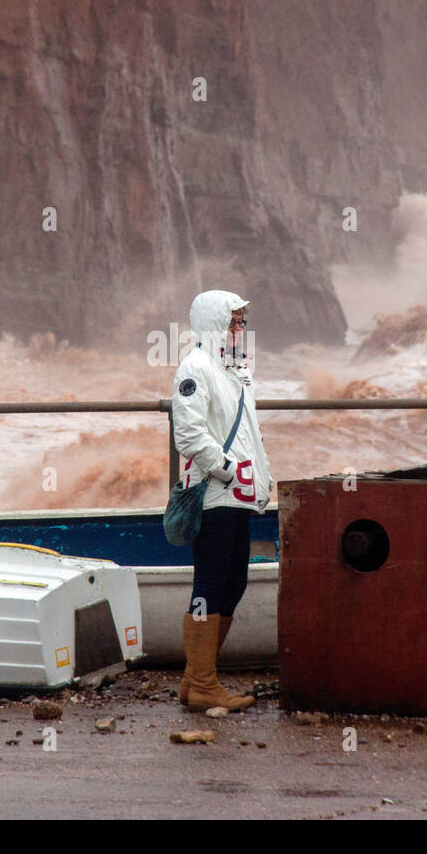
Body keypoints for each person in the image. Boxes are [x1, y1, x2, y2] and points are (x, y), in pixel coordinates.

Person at [170, 289, 272, 711]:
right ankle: (203, 684)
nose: (239, 329)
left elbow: (248, 433)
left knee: (233, 582)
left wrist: (259, 483)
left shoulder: (233, 369)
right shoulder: (196, 368)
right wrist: (228, 470)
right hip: (216, 494)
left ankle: (196, 681)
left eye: (241, 322)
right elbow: (189, 435)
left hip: (238, 496)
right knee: (209, 586)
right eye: (233, 321)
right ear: (213, 322)